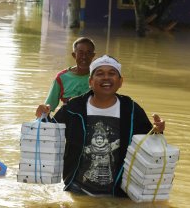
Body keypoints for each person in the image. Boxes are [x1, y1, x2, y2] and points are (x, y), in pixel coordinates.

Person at [36, 55, 165, 197]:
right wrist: (44, 117)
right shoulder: (74, 107)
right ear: (90, 81)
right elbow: (51, 136)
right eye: (100, 73)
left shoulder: (131, 109)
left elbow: (146, 145)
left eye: (112, 73)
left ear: (120, 81)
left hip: (117, 191)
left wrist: (157, 131)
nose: (106, 78)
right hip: (77, 188)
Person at [36, 37, 96, 116]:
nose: (84, 57)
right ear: (74, 55)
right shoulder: (62, 78)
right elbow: (48, 107)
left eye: (88, 53)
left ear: (93, 55)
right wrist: (42, 110)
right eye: (81, 53)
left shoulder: (99, 76)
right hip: (69, 121)